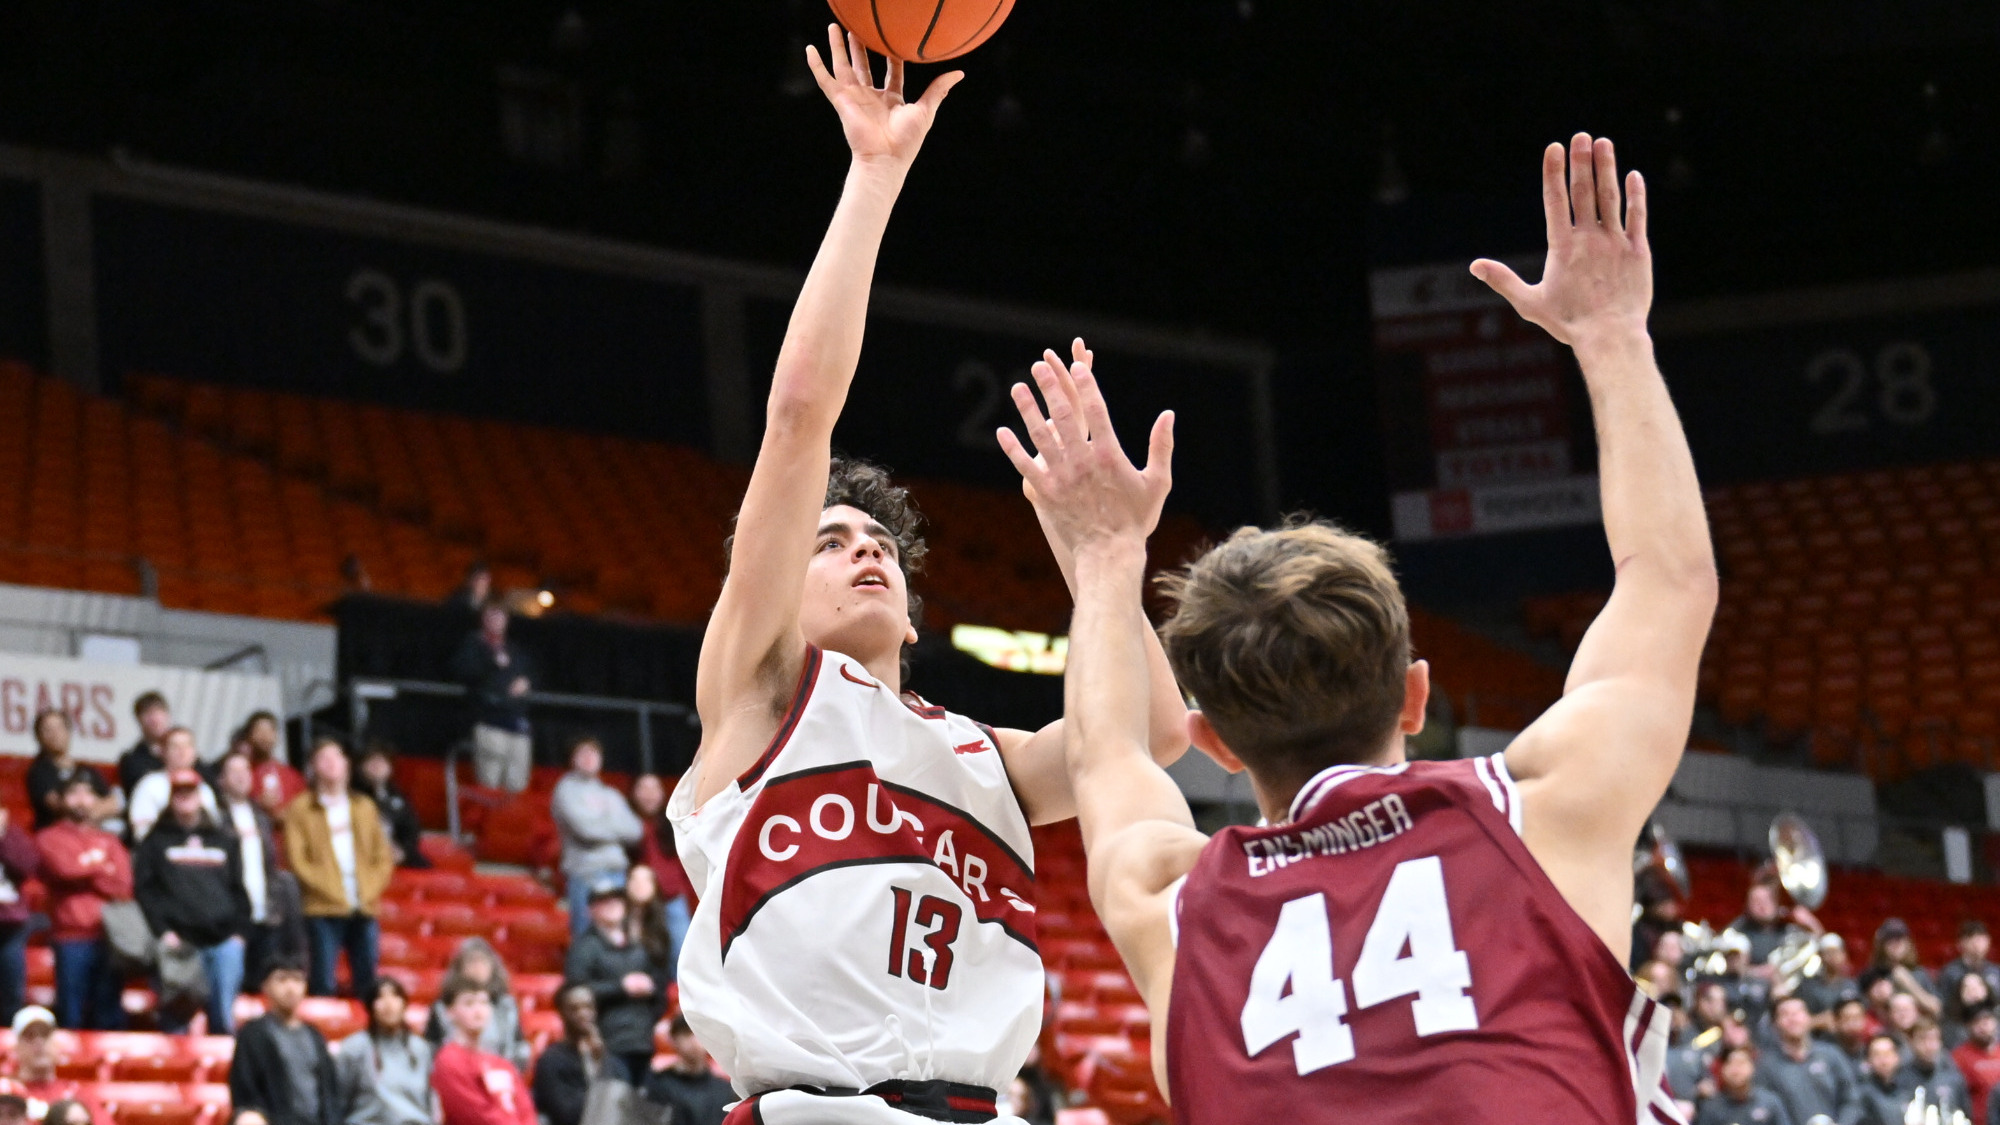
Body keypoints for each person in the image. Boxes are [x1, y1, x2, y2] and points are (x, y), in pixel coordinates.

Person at [1029, 135, 1713, 1125]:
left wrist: (1102, 563)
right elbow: (1668, 583)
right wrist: (1610, 336)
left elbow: (1104, 761)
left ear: (1210, 742)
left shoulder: (1171, 903)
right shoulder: (1538, 808)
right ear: (1414, 695)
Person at [667, 30, 1187, 1122]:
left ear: (911, 615)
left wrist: (1102, 557)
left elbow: (1150, 733)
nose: (862, 550)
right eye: (828, 540)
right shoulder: (762, 694)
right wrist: (873, 175)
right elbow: (799, 414)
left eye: (878, 545)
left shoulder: (978, 758)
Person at [133, 768, 250, 1033]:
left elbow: (239, 889)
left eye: (190, 792)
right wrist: (163, 932)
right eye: (179, 793)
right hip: (179, 942)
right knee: (177, 1016)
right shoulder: (155, 841)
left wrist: (239, 934)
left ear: (200, 797)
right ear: (171, 799)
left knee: (223, 1018)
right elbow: (145, 891)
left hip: (223, 940)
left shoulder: (225, 840)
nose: (184, 799)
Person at [285, 738, 394, 1000]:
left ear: (347, 764)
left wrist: (371, 888)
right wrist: (330, 891)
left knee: (367, 981)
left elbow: (383, 856)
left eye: (337, 756)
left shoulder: (364, 807)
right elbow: (297, 861)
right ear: (312, 768)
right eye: (324, 758)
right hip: (321, 908)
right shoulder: (300, 809)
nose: (332, 763)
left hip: (364, 905)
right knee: (323, 980)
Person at [36, 774, 132, 1030]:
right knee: (71, 1015)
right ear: (62, 800)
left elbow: (123, 885)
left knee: (108, 1015)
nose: (81, 799)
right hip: (70, 937)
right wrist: (101, 868)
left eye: (88, 793)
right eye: (74, 793)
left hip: (110, 937)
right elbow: (64, 870)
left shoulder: (110, 841)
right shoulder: (48, 837)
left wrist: (85, 869)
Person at [217, 750, 305, 991]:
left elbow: (271, 867)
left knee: (262, 986)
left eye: (245, 771)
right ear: (221, 780)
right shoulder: (214, 818)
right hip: (231, 918)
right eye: (233, 772)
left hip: (266, 915)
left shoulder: (261, 818)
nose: (241, 777)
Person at [562, 874, 663, 1082]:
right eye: (603, 901)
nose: (612, 905)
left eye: (616, 900)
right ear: (590, 910)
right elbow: (575, 993)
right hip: (607, 1043)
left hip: (642, 1040)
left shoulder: (641, 943)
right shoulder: (584, 948)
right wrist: (621, 987)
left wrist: (651, 991)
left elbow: (659, 984)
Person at [550, 736, 642, 935]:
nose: (589, 758)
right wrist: (614, 826)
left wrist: (599, 823)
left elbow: (635, 830)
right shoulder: (566, 790)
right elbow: (586, 830)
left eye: (593, 753)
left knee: (619, 936)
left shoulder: (611, 794)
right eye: (582, 753)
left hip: (617, 873)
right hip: (585, 874)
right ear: (572, 759)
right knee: (586, 935)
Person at [233, 956, 340, 1125]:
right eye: (282, 979)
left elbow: (330, 1093)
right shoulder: (252, 1034)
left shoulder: (314, 1035)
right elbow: (245, 1093)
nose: (290, 988)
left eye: (297, 980)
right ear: (265, 986)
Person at [449, 602, 536, 793]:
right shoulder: (473, 645)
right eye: (492, 615)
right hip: (489, 722)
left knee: (517, 784)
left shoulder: (514, 649)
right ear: (483, 619)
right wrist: (491, 663)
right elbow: (463, 672)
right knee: (490, 783)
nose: (496, 620)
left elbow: (530, 673)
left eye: (500, 615)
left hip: (517, 723)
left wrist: (525, 682)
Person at [432, 979, 535, 1125]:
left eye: (483, 1002)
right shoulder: (448, 1060)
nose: (478, 1010)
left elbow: (525, 1110)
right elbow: (474, 1115)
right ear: (450, 1012)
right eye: (469, 1003)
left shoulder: (501, 1063)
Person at [334, 978, 435, 1125]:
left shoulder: (421, 1049)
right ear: (371, 1007)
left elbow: (430, 1102)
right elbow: (339, 1100)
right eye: (381, 997)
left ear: (404, 1004)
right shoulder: (354, 1048)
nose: (389, 1003)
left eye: (394, 996)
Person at [422, 940, 530, 1074]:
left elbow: (520, 1048)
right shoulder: (443, 1006)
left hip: (500, 1076)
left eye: (483, 962)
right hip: (455, 1075)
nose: (478, 968)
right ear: (460, 968)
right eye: (472, 962)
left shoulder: (507, 1005)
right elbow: (430, 1050)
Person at [530, 984, 630, 1125]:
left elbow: (625, 1107)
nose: (583, 1013)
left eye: (588, 1007)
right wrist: (590, 1065)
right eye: (574, 1008)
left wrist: (598, 1062)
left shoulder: (611, 1061)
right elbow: (567, 1115)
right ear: (561, 1013)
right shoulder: (550, 1061)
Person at [1754, 996, 1859, 1125]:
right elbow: (1765, 1110)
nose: (1793, 1019)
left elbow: (1851, 1099)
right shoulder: (1766, 1067)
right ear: (1775, 1024)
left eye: (1798, 1013)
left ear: (1808, 1018)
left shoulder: (1832, 1055)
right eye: (1785, 1014)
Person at [625, 775, 692, 960]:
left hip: (672, 897)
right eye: (643, 789)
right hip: (638, 902)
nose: (649, 795)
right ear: (633, 793)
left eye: (654, 789)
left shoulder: (675, 823)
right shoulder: (624, 825)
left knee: (683, 954)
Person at [26, 711, 120, 832]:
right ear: (39, 737)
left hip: (95, 833)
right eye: (48, 730)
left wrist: (90, 813)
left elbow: (113, 803)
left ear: (68, 732)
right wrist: (87, 813)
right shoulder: (38, 772)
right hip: (58, 836)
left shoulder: (86, 770)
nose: (55, 734)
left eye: (59, 728)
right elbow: (58, 805)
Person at [127, 726, 221, 842]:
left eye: (187, 746)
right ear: (163, 752)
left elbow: (214, 830)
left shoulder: (203, 788)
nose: (182, 751)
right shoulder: (150, 785)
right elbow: (141, 832)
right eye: (175, 746)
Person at [6, 1007, 100, 1122]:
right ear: (16, 1048)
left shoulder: (75, 1093)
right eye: (30, 1036)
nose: (38, 1042)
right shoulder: (6, 1094)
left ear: (57, 1044)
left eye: (45, 1035)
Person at [642, 1016, 733, 1125]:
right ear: (673, 1040)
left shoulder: (723, 1089)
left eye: (698, 1034)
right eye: (686, 1034)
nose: (693, 1040)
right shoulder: (660, 1085)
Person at [354, 746, 428, 870]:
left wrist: (403, 851)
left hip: (398, 854)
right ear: (361, 767)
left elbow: (411, 828)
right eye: (372, 761)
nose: (377, 766)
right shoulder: (353, 796)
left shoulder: (396, 796)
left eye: (382, 761)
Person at [0, 808, 38, 1027]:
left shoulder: (12, 835)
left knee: (12, 994)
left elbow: (27, 867)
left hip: (10, 924)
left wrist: (3, 837)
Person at [1694, 1046, 1793, 1125]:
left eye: (1741, 1063)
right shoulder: (1711, 1108)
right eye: (1730, 1064)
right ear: (1722, 1070)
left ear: (1752, 1067)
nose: (1736, 1070)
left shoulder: (1770, 1102)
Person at [1872, 919, 1942, 1019]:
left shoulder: (1920, 973)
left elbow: (1936, 1009)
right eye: (1890, 940)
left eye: (1899, 939)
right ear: (1882, 945)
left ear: (1908, 943)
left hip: (1917, 1030)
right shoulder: (1873, 974)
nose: (1896, 944)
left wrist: (1908, 984)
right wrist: (1877, 1000)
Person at [244, 711, 308, 817]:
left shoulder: (291, 775)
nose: (264, 736)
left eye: (269, 731)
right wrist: (258, 804)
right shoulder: (244, 773)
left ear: (276, 736)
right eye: (259, 731)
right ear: (249, 737)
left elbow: (305, 804)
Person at [1903, 1021, 1971, 1117]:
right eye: (1922, 1039)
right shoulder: (1899, 1079)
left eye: (1933, 1039)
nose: (1929, 1046)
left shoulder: (1953, 1078)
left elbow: (1966, 1116)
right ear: (1911, 1042)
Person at [622, 865, 676, 978]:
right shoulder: (618, 918)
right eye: (634, 879)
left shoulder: (669, 919)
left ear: (655, 885)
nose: (639, 885)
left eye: (646, 880)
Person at [117, 691, 173, 799]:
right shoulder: (132, 760)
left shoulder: (185, 753)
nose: (154, 719)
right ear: (139, 720)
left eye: (158, 711)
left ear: (167, 715)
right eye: (147, 713)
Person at [1802, 935, 1862, 1032]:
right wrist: (1818, 1021)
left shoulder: (1852, 985)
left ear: (1844, 954)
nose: (1833, 957)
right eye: (1828, 953)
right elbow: (1802, 1019)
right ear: (1820, 956)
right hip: (1819, 1038)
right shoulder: (1808, 987)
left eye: (1836, 952)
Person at [1952, 1003, 2000, 1125]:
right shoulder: (1959, 1056)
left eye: (1987, 1020)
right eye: (1977, 1022)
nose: (1983, 1027)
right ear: (1968, 1026)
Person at [1942, 922, 2000, 1015]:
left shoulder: (1996, 971)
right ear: (1961, 943)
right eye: (1972, 938)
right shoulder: (1950, 972)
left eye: (1981, 938)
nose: (1977, 943)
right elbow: (1944, 1007)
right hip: (1960, 1024)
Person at [1857, 1034, 1913, 1125]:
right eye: (1877, 1055)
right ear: (1868, 1060)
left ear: (1897, 1057)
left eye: (1887, 1054)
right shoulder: (1861, 1094)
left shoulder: (1908, 1090)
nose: (1883, 1061)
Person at [1951, 973, 1996, 1048]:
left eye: (1977, 986)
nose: (1973, 990)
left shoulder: (1996, 1013)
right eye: (1967, 987)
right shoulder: (1953, 1025)